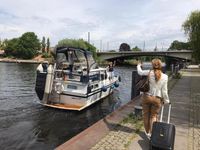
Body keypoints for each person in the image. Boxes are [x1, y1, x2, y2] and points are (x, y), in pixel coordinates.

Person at [137, 58, 170, 138]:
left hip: (147, 97)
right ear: (161, 66)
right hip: (157, 99)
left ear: (152, 65)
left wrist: (138, 65)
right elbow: (164, 91)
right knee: (153, 116)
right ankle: (153, 134)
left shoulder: (149, 72)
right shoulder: (165, 76)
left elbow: (140, 72)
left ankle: (147, 133)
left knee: (145, 115)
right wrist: (166, 101)